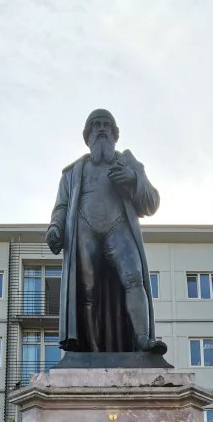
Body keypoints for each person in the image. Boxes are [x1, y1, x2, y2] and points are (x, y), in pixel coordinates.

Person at [46, 109, 167, 355]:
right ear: (87, 136)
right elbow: (62, 206)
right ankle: (92, 351)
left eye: (106, 125)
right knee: (87, 290)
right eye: (95, 125)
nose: (101, 129)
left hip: (118, 228)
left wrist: (134, 179)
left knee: (134, 278)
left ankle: (143, 339)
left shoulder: (128, 163)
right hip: (85, 229)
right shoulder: (72, 173)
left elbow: (152, 202)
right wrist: (55, 227)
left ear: (115, 134)